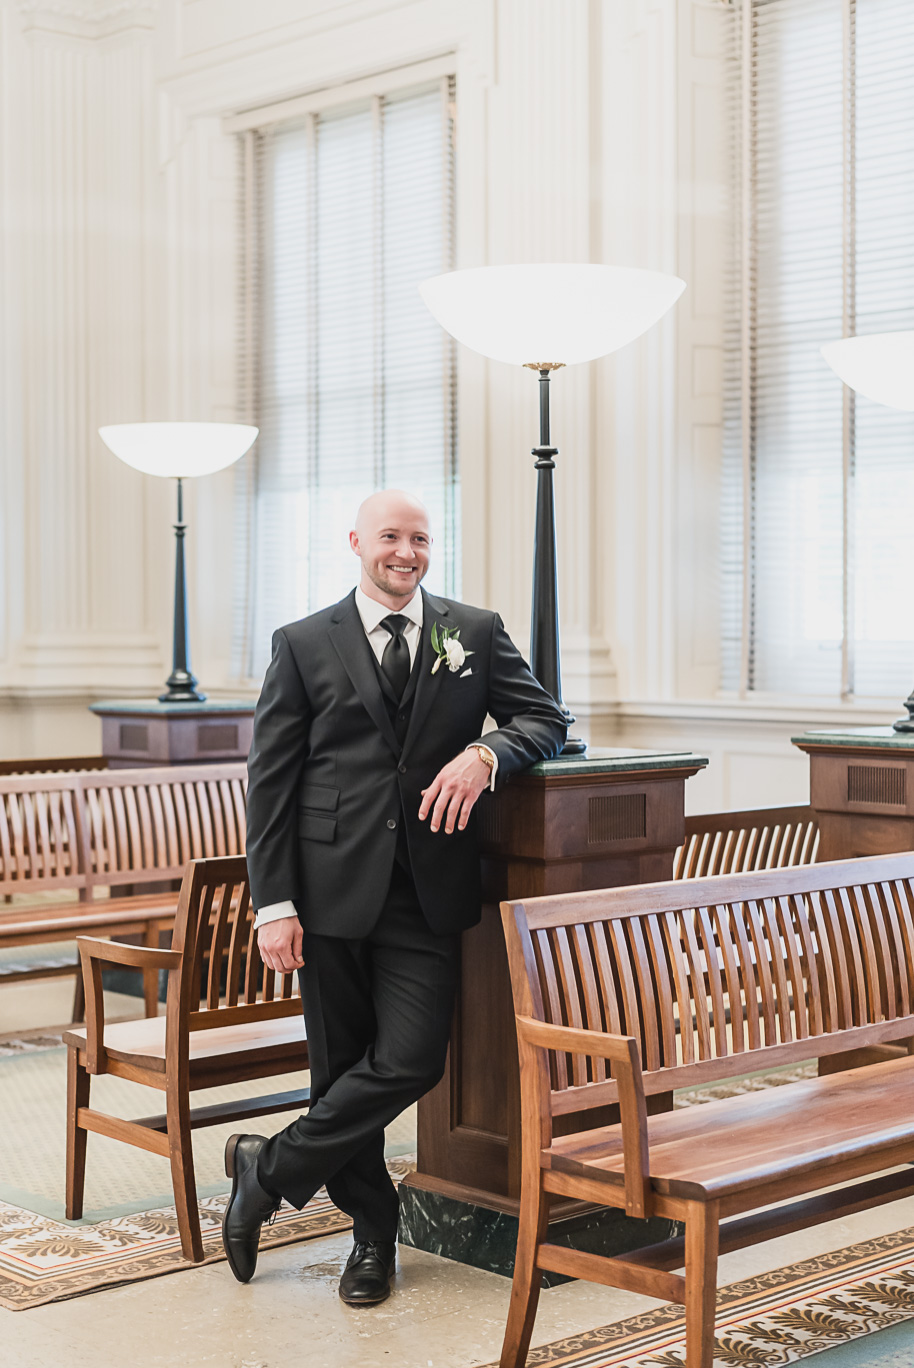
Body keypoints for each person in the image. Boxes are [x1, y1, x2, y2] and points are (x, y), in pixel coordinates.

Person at [222, 489, 566, 1304]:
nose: (406, 552)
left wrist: (488, 754)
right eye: (390, 537)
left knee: (410, 1059)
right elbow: (268, 783)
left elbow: (545, 718)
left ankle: (263, 1171)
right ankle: (373, 1239)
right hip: (324, 888)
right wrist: (274, 904)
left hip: (427, 890)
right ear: (355, 543)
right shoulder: (304, 642)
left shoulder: (471, 631)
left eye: (420, 538)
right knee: (339, 1071)